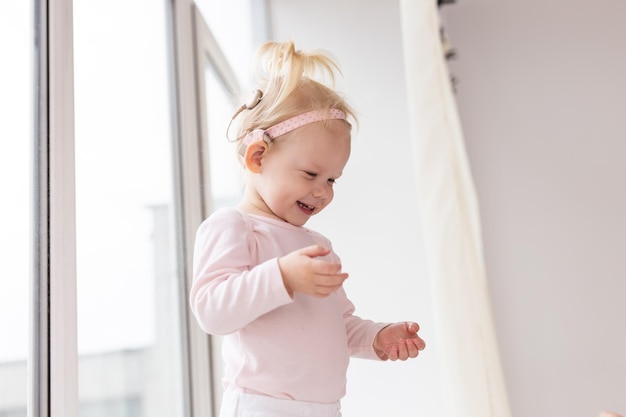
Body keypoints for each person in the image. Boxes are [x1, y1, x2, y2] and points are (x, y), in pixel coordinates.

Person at [189, 40, 425, 417]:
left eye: (332, 180)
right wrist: (281, 276)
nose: (322, 191)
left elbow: (339, 325)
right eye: (311, 174)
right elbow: (212, 310)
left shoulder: (317, 245)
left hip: (326, 409)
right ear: (258, 157)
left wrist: (378, 337)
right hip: (261, 407)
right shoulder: (235, 226)